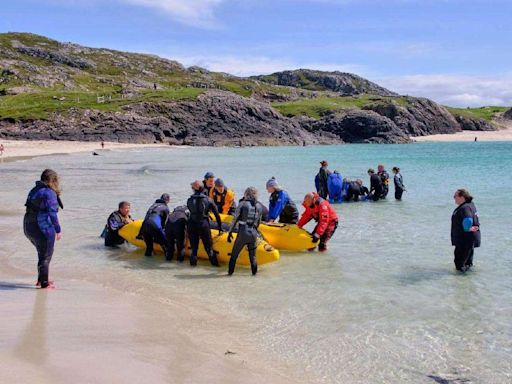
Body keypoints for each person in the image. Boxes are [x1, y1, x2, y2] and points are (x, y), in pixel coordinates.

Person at [23, 169, 63, 289]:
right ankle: (44, 283)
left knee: (42, 254)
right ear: (53, 180)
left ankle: (41, 280)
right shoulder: (49, 193)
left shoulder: (35, 189)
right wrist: (58, 229)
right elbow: (52, 213)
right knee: (46, 255)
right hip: (42, 227)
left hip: (28, 226)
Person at [227, 187, 263, 275]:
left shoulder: (242, 204)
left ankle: (229, 276)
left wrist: (230, 233)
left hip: (243, 233)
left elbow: (235, 219)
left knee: (234, 256)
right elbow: (258, 223)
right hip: (253, 233)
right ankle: (254, 276)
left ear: (246, 194)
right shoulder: (259, 206)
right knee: (253, 257)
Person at [187, 180, 223, 266]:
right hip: (203, 225)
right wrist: (220, 227)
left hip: (192, 224)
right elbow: (217, 215)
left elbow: (191, 211)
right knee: (209, 249)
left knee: (194, 250)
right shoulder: (208, 200)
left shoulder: (189, 199)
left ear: (194, 189)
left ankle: (192, 269)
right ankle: (216, 267)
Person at [451, 189, 481, 272]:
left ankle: (459, 283)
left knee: (459, 264)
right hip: (469, 239)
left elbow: (468, 220)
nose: (454, 198)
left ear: (462, 197)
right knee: (468, 264)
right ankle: (469, 281)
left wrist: (467, 228)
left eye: (455, 196)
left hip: (464, 240)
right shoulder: (470, 205)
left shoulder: (465, 208)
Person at [139, 194, 171, 259]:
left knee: (149, 247)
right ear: (168, 200)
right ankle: (168, 262)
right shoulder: (165, 208)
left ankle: (147, 263)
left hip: (144, 225)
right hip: (154, 225)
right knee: (166, 245)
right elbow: (164, 224)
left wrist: (140, 233)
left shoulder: (153, 205)